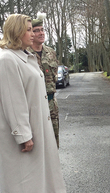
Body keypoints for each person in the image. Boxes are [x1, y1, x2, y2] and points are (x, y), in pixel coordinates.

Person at [0, 14, 66, 193]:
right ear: (16, 31)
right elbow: (13, 102)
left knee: (39, 179)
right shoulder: (7, 60)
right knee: (25, 181)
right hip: (27, 135)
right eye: (28, 29)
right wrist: (23, 135)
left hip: (38, 127)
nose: (32, 33)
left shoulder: (24, 56)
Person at [27, 12, 61, 148]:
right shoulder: (25, 54)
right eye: (36, 31)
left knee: (53, 141)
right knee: (37, 144)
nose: (41, 33)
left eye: (42, 30)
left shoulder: (51, 52)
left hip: (51, 103)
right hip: (34, 105)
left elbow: (54, 77)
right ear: (30, 34)